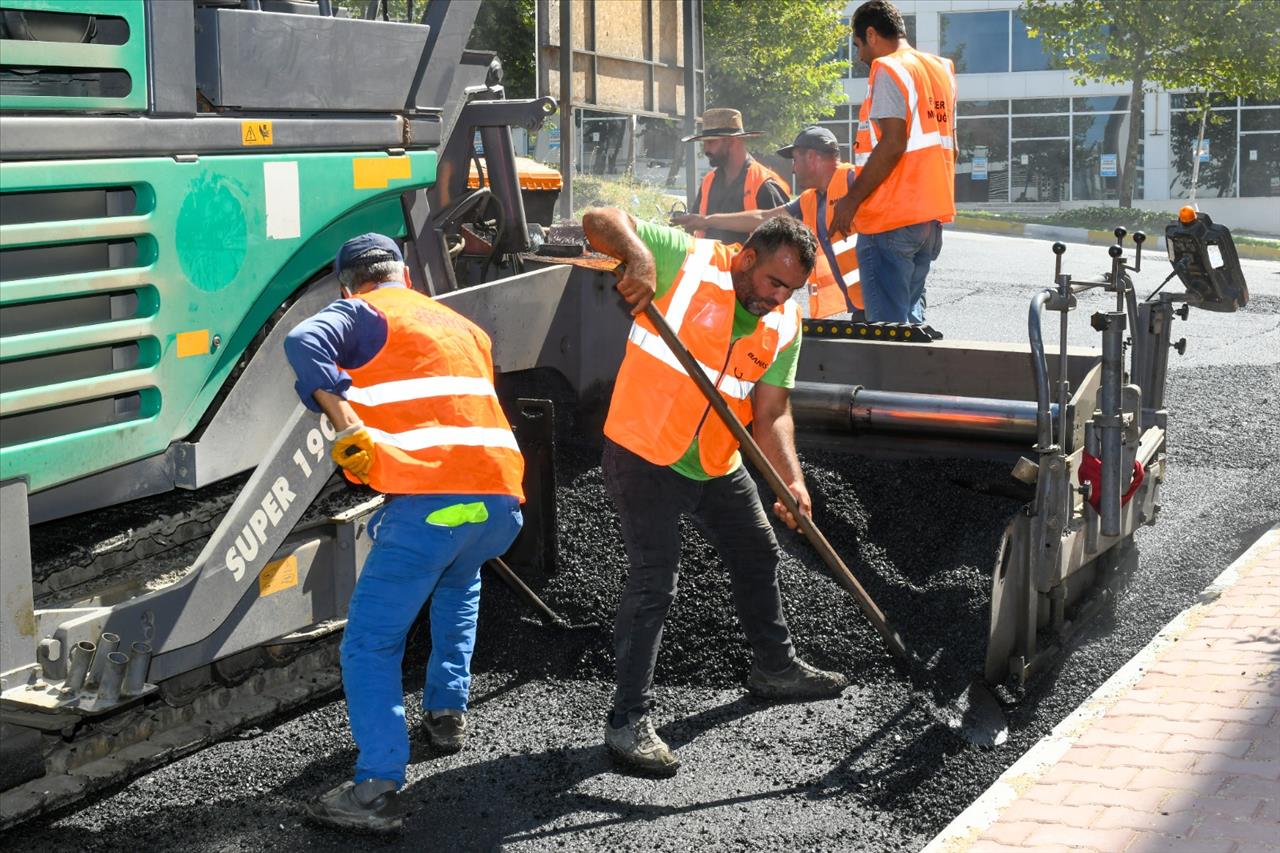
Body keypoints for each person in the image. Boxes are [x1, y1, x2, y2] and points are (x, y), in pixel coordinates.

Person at [581, 208, 849, 777]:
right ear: (747, 257)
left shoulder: (785, 324)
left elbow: (772, 412)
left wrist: (790, 479)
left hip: (714, 460)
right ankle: (628, 719)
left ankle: (774, 668)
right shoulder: (691, 259)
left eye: (792, 289)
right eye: (774, 282)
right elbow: (600, 217)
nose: (779, 297)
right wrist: (642, 256)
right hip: (643, 451)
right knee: (656, 577)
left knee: (758, 550)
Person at [284, 233, 525, 832]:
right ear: (405, 276)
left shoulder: (365, 312)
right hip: (497, 507)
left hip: (431, 507)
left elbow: (302, 340)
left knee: (371, 643)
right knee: (457, 585)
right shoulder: (460, 325)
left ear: (348, 285)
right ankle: (447, 713)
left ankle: (375, 788)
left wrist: (343, 420)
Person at [831, 0, 958, 324]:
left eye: (859, 45)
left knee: (888, 338)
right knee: (910, 328)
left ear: (871, 34)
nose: (860, 57)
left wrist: (851, 201)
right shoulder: (940, 70)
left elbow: (893, 143)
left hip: (891, 218)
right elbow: (951, 148)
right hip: (928, 222)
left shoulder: (888, 68)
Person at [672, 126, 863, 321]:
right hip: (861, 303)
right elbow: (763, 218)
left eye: (795, 160)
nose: (793, 169)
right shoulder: (810, 199)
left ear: (812, 157)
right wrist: (706, 221)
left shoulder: (854, 180)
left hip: (878, 294)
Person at [679, 108, 791, 244]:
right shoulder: (708, 181)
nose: (706, 150)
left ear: (732, 141)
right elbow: (697, 227)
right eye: (705, 143)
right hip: (710, 263)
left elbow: (783, 238)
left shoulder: (764, 183)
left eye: (711, 142)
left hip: (750, 264)